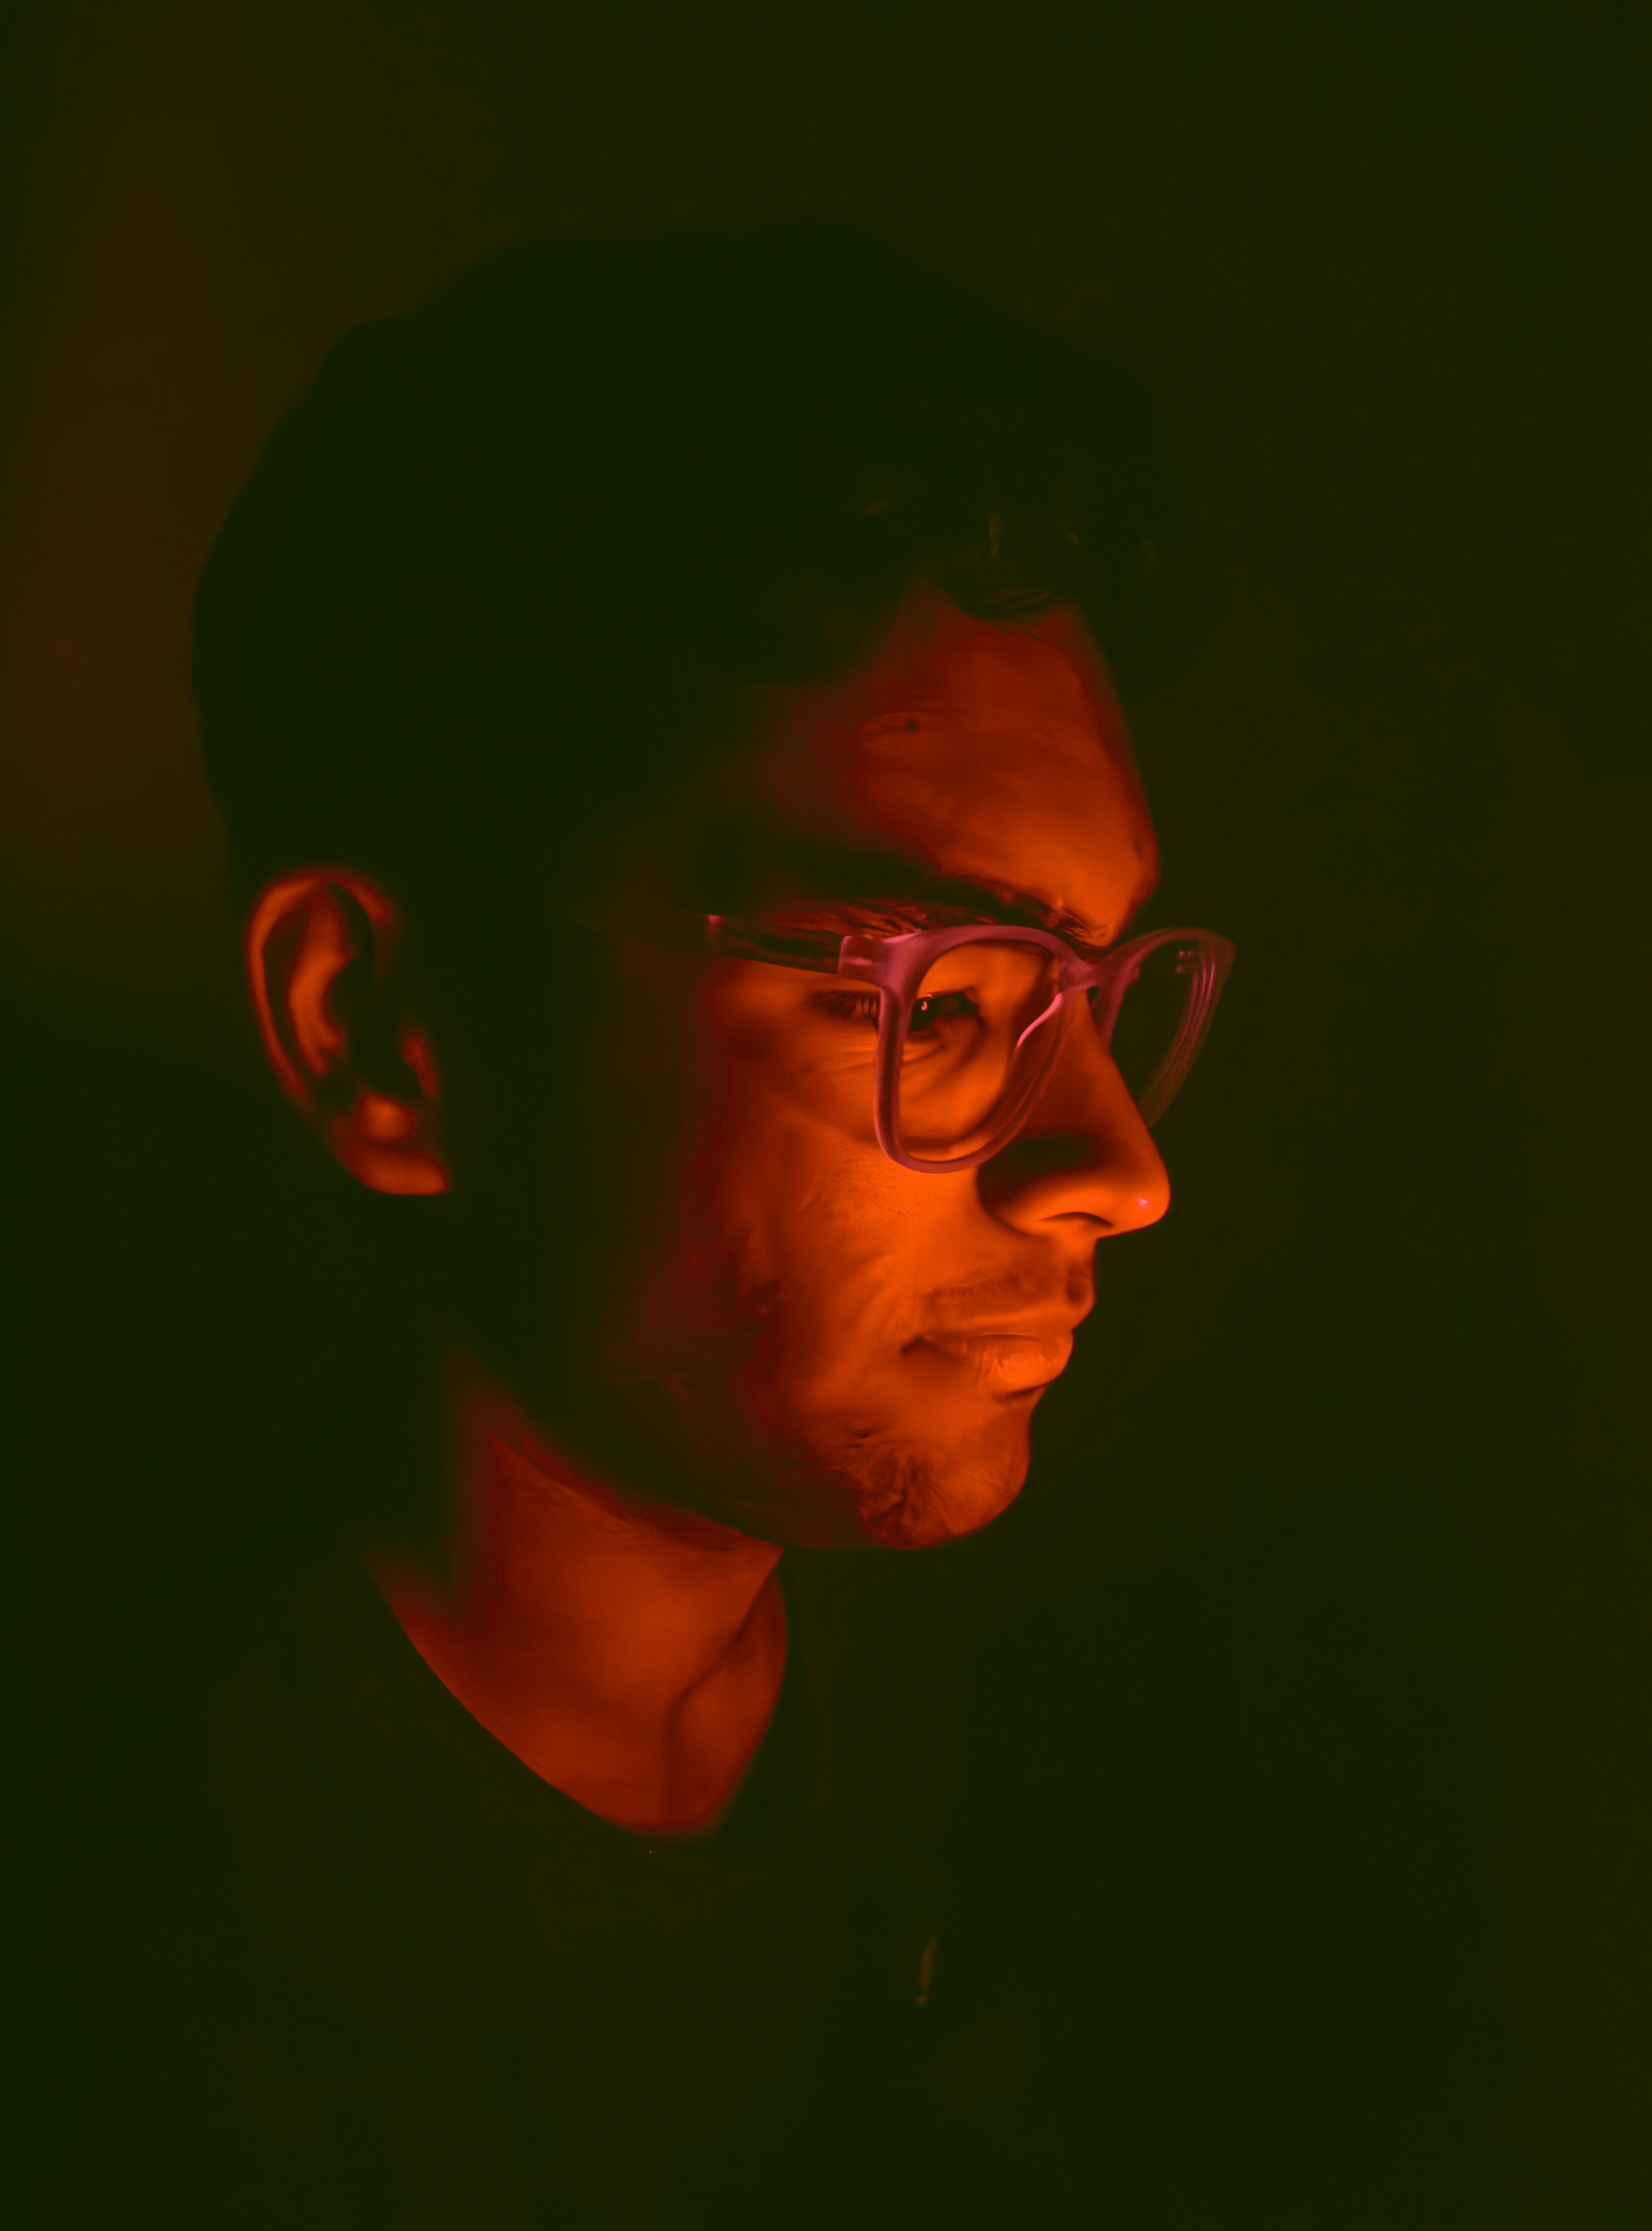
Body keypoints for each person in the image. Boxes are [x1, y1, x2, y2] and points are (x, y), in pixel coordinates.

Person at [174, 218, 1239, 2222]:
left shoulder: (1037, 1761)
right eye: (947, 994)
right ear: (385, 1036)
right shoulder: (132, 1961)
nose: (1119, 1164)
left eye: (1097, 993)